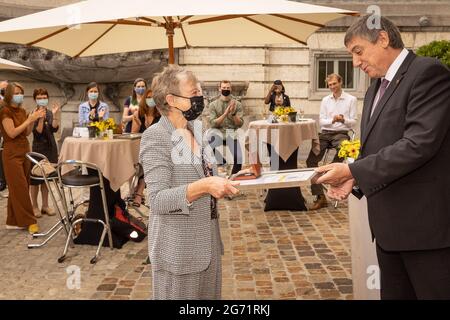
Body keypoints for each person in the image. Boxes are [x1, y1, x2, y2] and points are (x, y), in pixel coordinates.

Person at [315, 15, 450, 299]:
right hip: (389, 230)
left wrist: (352, 172)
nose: (354, 63)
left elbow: (418, 144)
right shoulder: (377, 85)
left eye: (358, 51)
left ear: (383, 39)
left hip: (425, 231)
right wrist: (356, 180)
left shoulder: (428, 73)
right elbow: (376, 146)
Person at [140, 65, 240, 300]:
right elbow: (157, 200)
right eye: (194, 92)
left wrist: (228, 182)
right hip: (178, 252)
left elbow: (206, 176)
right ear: (171, 99)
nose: (200, 97)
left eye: (200, 91)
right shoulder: (156, 137)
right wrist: (204, 187)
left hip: (209, 246)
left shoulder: (197, 130)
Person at [306, 73, 357, 210]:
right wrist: (333, 120)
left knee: (344, 149)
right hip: (325, 133)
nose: (332, 87)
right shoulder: (325, 100)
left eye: (334, 83)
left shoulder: (351, 99)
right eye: (330, 85)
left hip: (341, 134)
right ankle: (320, 196)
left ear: (340, 82)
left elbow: (354, 122)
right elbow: (322, 121)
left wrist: (343, 120)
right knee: (310, 160)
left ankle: (333, 171)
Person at [0, 82, 46, 234]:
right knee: (19, 188)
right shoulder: (4, 111)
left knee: (20, 187)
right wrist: (29, 119)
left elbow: (26, 132)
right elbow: (12, 133)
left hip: (24, 151)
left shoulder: (21, 110)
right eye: (16, 92)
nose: (19, 95)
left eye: (21, 92)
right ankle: (29, 221)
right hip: (11, 153)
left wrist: (34, 119)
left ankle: (12, 221)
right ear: (9, 94)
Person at [29, 88, 60, 218]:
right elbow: (38, 132)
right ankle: (34, 206)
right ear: (35, 99)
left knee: (46, 179)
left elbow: (54, 128)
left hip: (50, 148)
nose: (42, 100)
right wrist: (40, 118)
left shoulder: (49, 112)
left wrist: (55, 115)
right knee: (35, 180)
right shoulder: (33, 113)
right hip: (38, 149)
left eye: (44, 97)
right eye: (39, 97)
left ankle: (45, 205)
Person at [130, 89, 160, 207]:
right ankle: (137, 192)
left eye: (152, 97)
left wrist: (148, 128)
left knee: (148, 161)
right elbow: (133, 134)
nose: (150, 100)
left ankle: (138, 193)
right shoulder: (139, 114)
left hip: (154, 148)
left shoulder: (161, 115)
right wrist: (137, 124)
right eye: (148, 97)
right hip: (140, 146)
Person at [208, 80, 244, 175]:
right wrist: (225, 114)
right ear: (219, 89)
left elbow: (240, 124)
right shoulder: (213, 105)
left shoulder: (238, 104)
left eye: (228, 88)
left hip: (231, 132)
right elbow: (213, 123)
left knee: (239, 158)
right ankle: (222, 162)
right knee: (208, 144)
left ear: (231, 89)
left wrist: (233, 114)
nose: (226, 90)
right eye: (224, 88)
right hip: (218, 132)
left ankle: (233, 177)